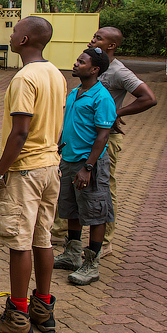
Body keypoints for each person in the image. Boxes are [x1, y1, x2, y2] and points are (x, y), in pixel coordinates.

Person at [0, 16, 66, 333]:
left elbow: (20, 133)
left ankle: (17, 316)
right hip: (50, 168)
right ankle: (42, 306)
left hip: (25, 170)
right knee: (42, 239)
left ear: (25, 39)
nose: (11, 35)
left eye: (15, 31)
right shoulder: (56, 74)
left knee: (19, 242)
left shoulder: (25, 78)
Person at [50, 27, 157, 257]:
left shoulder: (119, 73)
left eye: (98, 38)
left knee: (102, 191)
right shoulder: (79, 87)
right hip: (76, 145)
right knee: (71, 192)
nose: (93, 39)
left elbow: (149, 98)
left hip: (101, 141)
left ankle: (102, 245)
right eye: (94, 36)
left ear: (111, 46)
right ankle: (68, 242)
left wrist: (116, 114)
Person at [52, 47, 116, 286]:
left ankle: (92, 263)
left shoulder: (101, 97)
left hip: (89, 164)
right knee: (71, 209)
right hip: (69, 160)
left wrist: (88, 167)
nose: (76, 64)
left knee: (96, 213)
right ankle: (71, 255)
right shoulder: (76, 92)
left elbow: (102, 136)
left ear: (95, 69)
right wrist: (59, 145)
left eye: (82, 61)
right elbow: (69, 123)